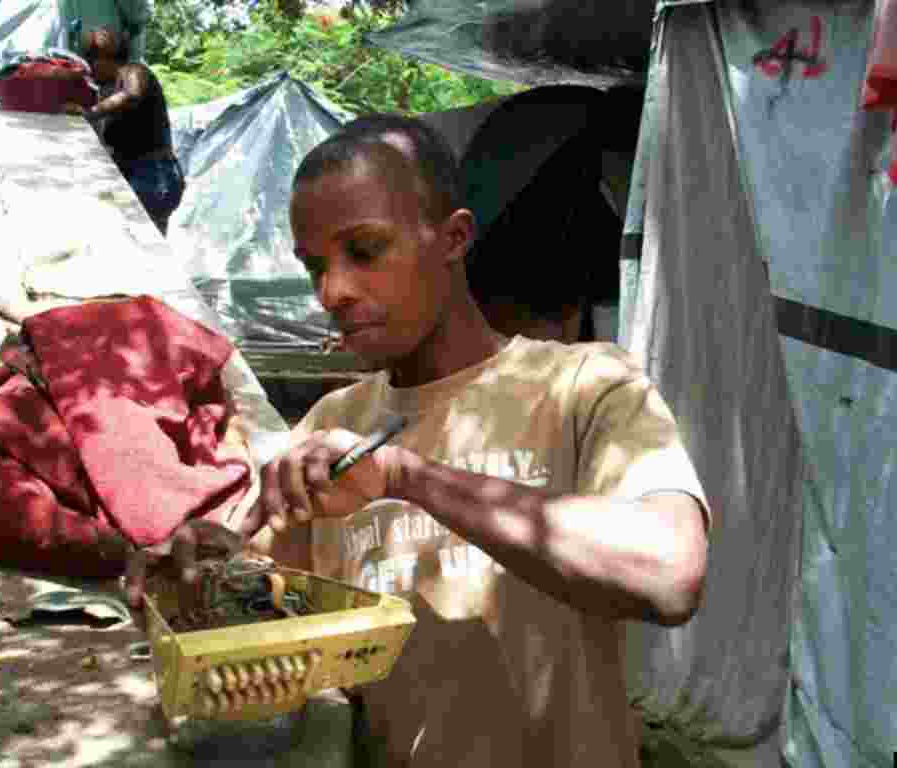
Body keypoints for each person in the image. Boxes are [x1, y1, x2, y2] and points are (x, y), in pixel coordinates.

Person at [126, 117, 711, 768]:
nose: (333, 291)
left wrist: (408, 476)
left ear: (453, 237)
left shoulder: (581, 385)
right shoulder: (328, 424)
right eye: (316, 266)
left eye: (365, 251)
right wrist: (189, 586)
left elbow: (670, 574)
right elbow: (267, 623)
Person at [66, 27, 185, 235]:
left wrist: (90, 113)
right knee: (141, 241)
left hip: (152, 175)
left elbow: (132, 93)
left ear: (104, 58)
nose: (91, 70)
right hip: (145, 174)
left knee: (140, 241)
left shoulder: (134, 71)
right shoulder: (110, 89)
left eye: (92, 62)